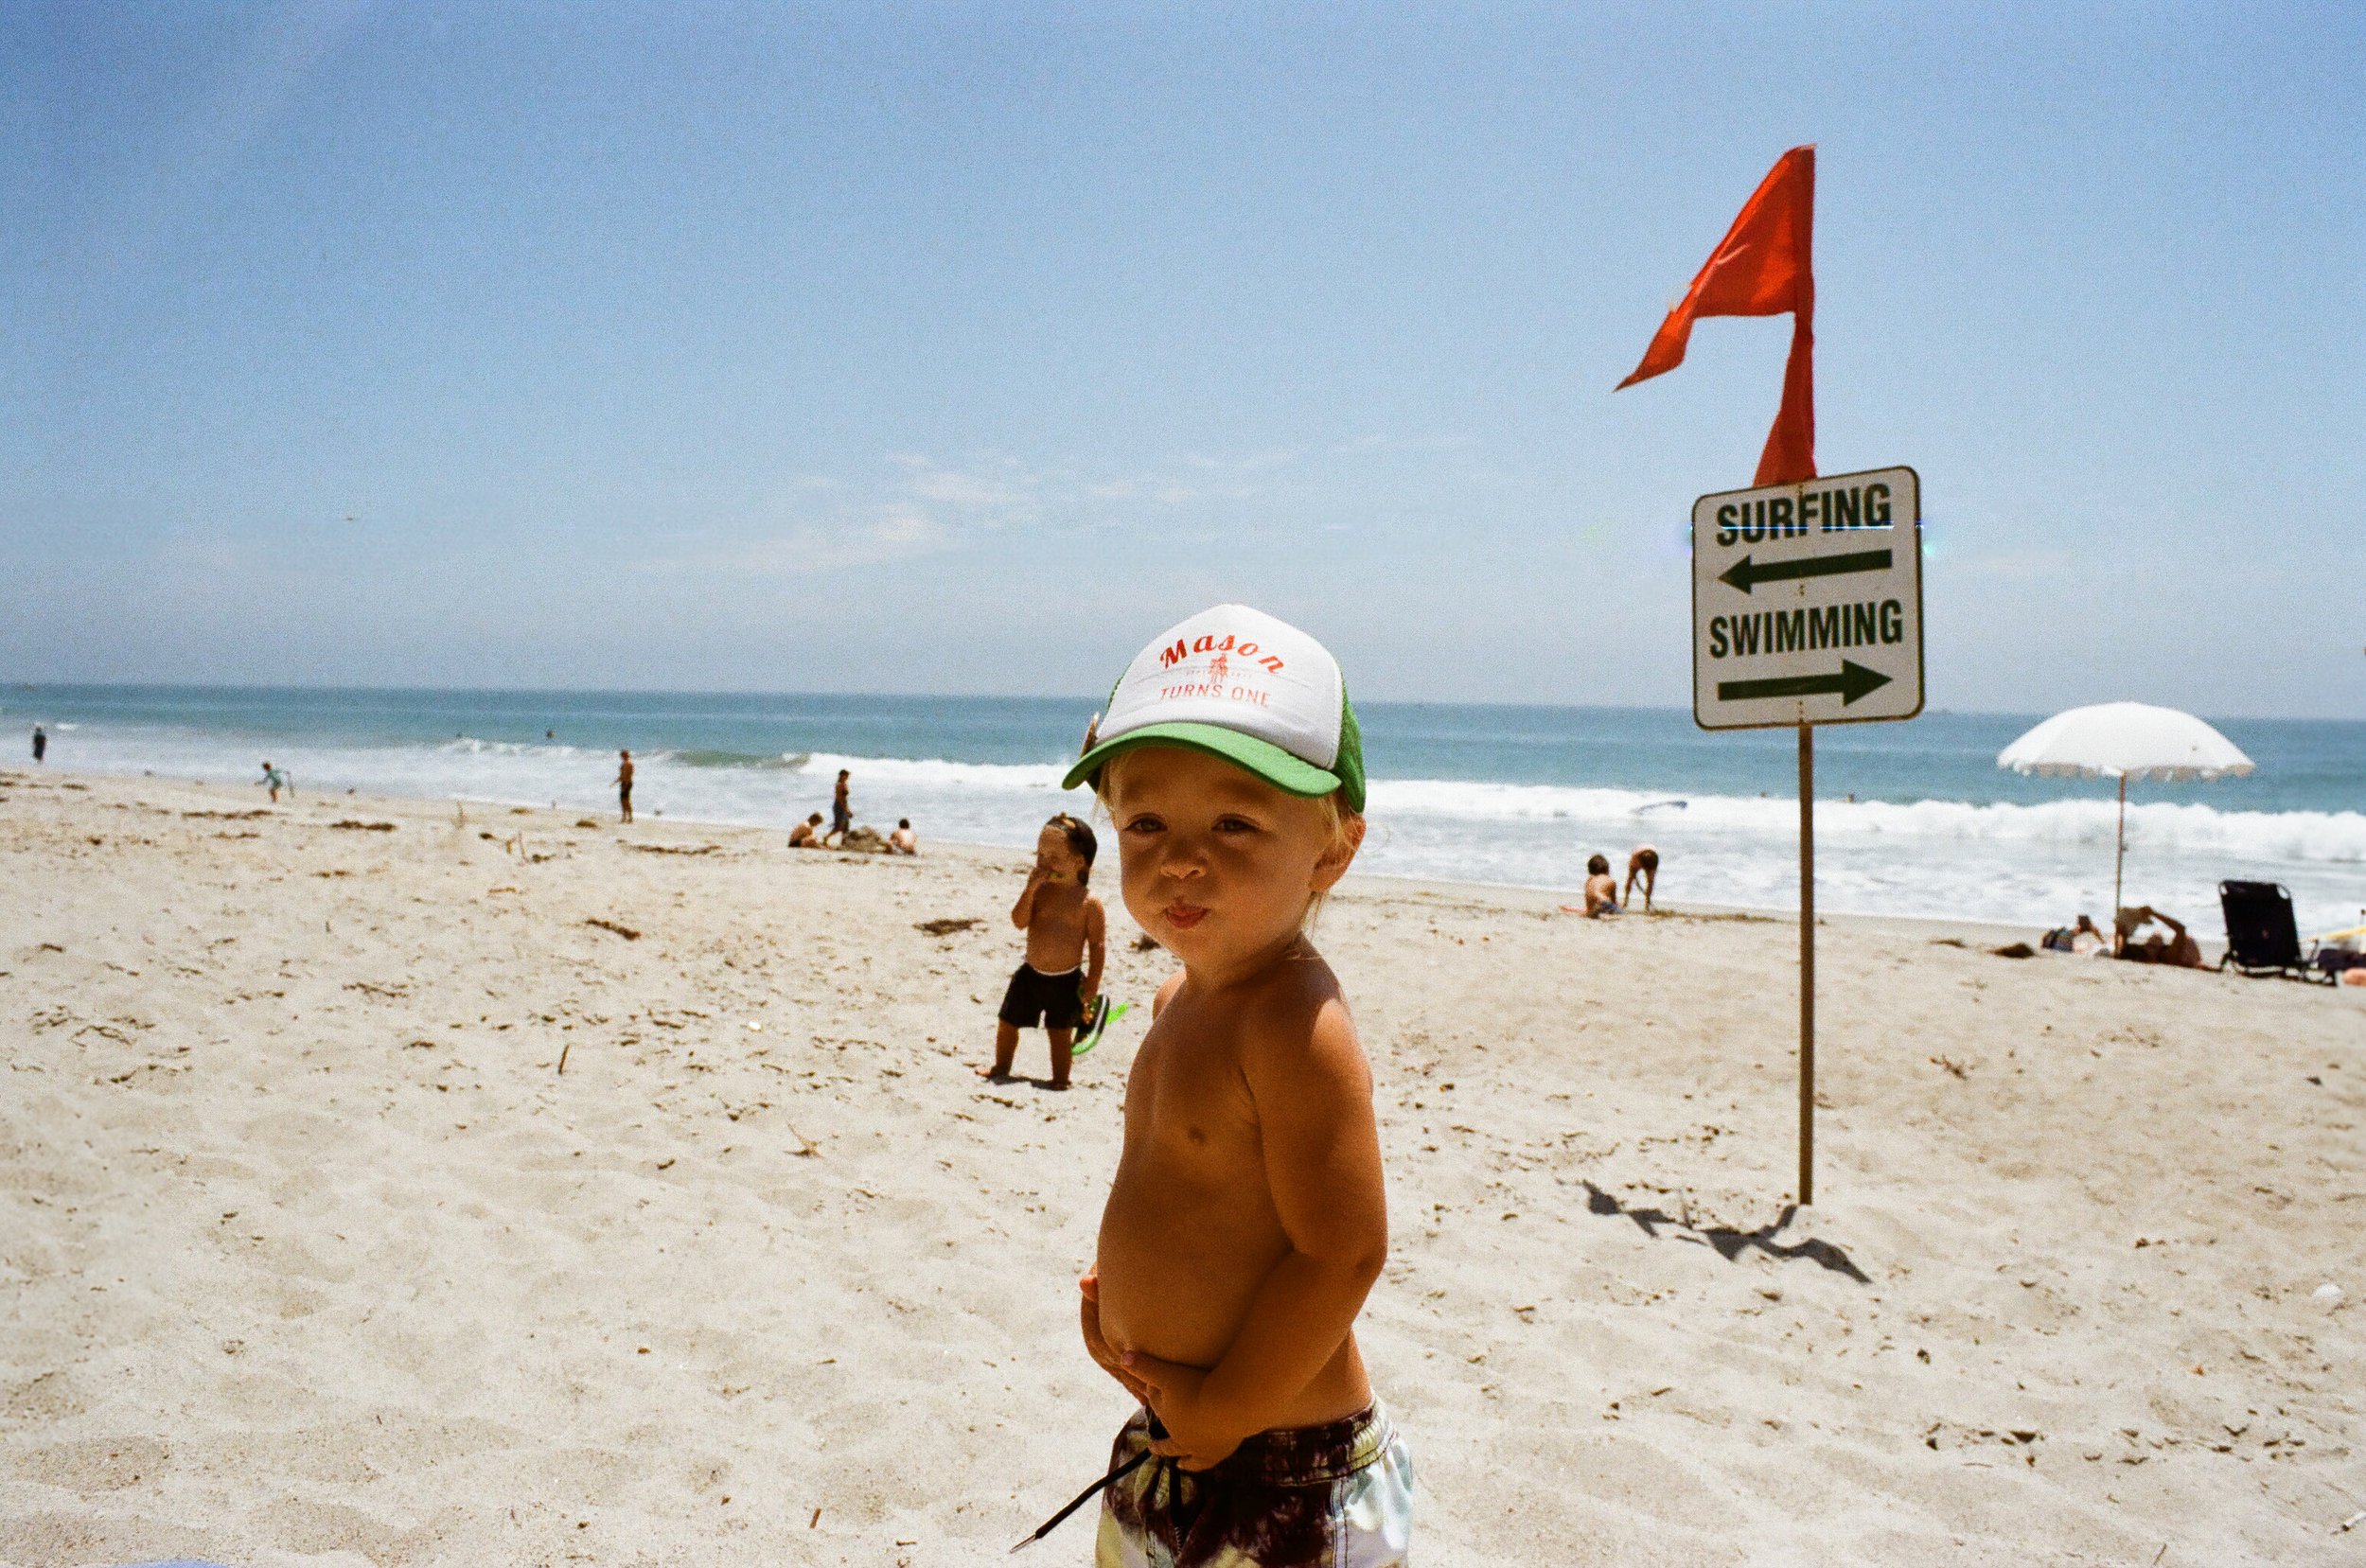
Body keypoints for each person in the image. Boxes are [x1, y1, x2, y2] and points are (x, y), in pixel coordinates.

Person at [1065, 604, 1413, 1566]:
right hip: (1178, 1437)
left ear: (1333, 850)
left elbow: (1343, 1252)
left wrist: (1226, 1406)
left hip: (1278, 1459)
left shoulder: (1296, 1023)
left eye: (1233, 821)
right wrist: (1124, 1313)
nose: (1181, 855)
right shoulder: (1179, 995)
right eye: (1145, 819)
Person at [978, 814, 1104, 1089]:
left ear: (1080, 862)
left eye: (1054, 858)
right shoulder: (1040, 892)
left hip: (1067, 979)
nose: (1044, 864)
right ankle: (1001, 1066)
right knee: (1007, 1023)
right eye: (1040, 855)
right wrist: (1030, 889)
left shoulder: (1088, 903)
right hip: (1030, 974)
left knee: (1059, 1032)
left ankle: (1060, 1079)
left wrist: (1093, 980)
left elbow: (1097, 945)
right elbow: (1018, 921)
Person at [2116, 906, 2204, 968]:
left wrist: (2153, 913)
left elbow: (2181, 929)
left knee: (2157, 935)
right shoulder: (2167, 956)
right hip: (2187, 956)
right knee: (2158, 935)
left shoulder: (2166, 956)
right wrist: (2153, 913)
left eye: (2150, 944)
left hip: (2188, 957)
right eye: (2151, 945)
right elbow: (2180, 929)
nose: (2151, 943)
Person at [1583, 853, 1620, 917]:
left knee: (1596, 910)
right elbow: (1614, 902)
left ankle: (1598, 910)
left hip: (1594, 908)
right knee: (1621, 913)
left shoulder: (1588, 881)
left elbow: (1588, 907)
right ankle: (1601, 909)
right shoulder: (1610, 880)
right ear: (1607, 869)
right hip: (1604, 902)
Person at [1624, 844, 1659, 911]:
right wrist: (1636, 880)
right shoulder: (1635, 857)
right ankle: (1625, 901)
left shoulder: (1655, 859)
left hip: (1651, 858)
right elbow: (1632, 871)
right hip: (1638, 857)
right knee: (1630, 879)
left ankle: (1647, 905)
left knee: (1651, 882)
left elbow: (1651, 879)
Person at [826, 768, 852, 846]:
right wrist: (846, 810)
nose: (848, 777)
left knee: (846, 826)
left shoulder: (845, 784)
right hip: (839, 806)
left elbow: (845, 799)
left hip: (844, 805)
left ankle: (844, 843)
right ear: (842, 775)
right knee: (839, 826)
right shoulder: (839, 785)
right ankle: (826, 838)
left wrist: (848, 809)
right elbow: (840, 799)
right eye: (846, 775)